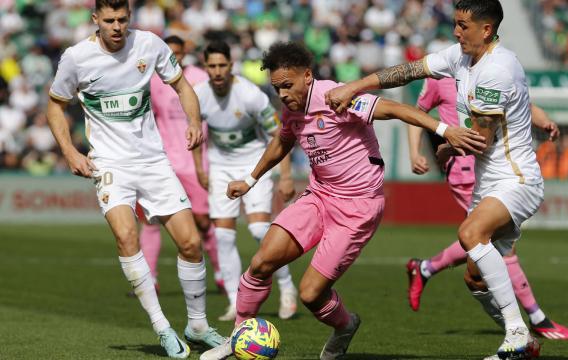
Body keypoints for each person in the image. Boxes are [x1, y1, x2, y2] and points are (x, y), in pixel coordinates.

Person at [200, 41, 485, 360]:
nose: (282, 94)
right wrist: (250, 180)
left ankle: (345, 325)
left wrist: (445, 130)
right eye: (276, 88)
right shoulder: (292, 107)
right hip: (318, 197)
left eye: (287, 85)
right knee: (261, 262)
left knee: (311, 294)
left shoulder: (336, 96)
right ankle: (238, 336)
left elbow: (394, 109)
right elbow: (283, 141)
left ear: (307, 76)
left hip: (357, 208)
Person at [326, 1, 544, 358]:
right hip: (487, 181)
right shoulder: (461, 56)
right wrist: (354, 87)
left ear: (486, 30)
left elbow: (482, 139)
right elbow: (408, 70)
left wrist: (449, 145)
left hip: (516, 179)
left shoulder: (499, 69)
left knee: (470, 234)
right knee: (474, 278)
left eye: (462, 26)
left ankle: (518, 335)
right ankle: (524, 343)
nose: (456, 32)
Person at [46, 1, 225, 358]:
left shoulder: (149, 44)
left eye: (122, 20)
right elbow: (55, 106)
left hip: (153, 161)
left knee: (191, 243)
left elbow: (183, 86)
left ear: (130, 18)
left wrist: (193, 122)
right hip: (111, 164)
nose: (116, 27)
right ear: (95, 19)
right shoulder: (76, 57)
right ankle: (162, 326)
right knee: (127, 235)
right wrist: (69, 152)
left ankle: (198, 325)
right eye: (109, 20)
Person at [407, 76, 568, 341]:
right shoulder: (441, 75)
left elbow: (526, 106)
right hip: (464, 170)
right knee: (496, 243)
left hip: (497, 170)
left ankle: (425, 268)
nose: (460, 34)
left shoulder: (494, 72)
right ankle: (537, 319)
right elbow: (418, 112)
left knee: (482, 239)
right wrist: (415, 152)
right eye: (459, 31)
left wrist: (545, 122)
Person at [191, 40, 299, 322]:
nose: (216, 71)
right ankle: (234, 302)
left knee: (261, 230)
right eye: (211, 66)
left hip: (255, 165)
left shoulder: (251, 95)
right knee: (223, 236)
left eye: (221, 65)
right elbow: (195, 134)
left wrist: (285, 176)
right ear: (205, 67)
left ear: (231, 66)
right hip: (219, 168)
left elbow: (281, 135)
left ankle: (287, 288)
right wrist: (200, 169)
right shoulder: (198, 95)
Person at [136, 35, 223, 295]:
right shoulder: (151, 81)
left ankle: (221, 273)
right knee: (151, 220)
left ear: (184, 52)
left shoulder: (198, 77)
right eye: (169, 51)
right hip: (163, 161)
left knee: (204, 222)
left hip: (197, 161)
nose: (174, 55)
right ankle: (148, 280)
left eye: (178, 51)